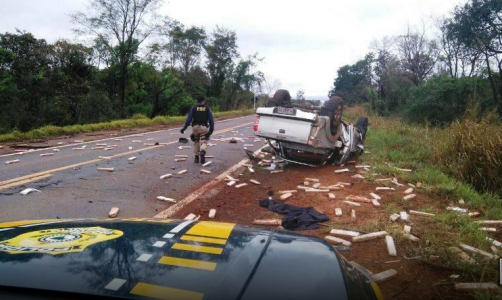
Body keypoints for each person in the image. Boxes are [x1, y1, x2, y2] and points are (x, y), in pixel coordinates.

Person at [180, 95, 214, 164]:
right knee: (204, 141)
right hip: (203, 127)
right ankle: (202, 151)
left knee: (196, 141)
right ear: (203, 101)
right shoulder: (207, 108)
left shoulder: (193, 108)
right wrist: (211, 130)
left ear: (197, 101)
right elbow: (211, 120)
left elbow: (189, 119)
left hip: (195, 127)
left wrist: (184, 128)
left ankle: (196, 158)